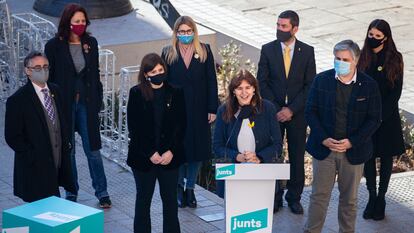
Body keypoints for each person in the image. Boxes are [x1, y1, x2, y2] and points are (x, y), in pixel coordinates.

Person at [304, 40, 382, 233]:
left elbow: (374, 119)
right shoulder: (321, 80)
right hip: (325, 150)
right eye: (337, 58)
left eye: (345, 59)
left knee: (349, 200)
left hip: (353, 153)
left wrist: (351, 142)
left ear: (355, 61)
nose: (340, 62)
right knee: (318, 197)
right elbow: (310, 112)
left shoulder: (369, 85)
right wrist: (323, 138)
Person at [44, 3, 111, 208]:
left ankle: (102, 192)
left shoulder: (91, 42)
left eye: (83, 21)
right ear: (67, 22)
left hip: (87, 104)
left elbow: (95, 73)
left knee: (93, 150)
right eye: (76, 21)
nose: (80, 25)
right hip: (64, 105)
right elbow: (50, 77)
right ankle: (71, 191)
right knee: (68, 149)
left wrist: (97, 99)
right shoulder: (54, 46)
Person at [257, 10, 316, 214]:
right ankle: (274, 198)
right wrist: (277, 109)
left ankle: (294, 197)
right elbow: (262, 83)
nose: (279, 29)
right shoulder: (267, 49)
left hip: (297, 115)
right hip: (273, 113)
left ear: (295, 29)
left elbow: (310, 86)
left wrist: (291, 109)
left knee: (297, 156)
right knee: (273, 154)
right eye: (278, 25)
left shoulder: (307, 51)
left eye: (284, 26)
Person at [161, 15, 218, 208]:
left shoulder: (204, 50)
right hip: (177, 112)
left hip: (199, 110)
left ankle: (190, 190)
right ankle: (178, 188)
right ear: (176, 33)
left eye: (188, 31)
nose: (185, 35)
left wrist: (212, 108)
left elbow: (211, 81)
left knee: (197, 151)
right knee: (179, 151)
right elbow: (164, 84)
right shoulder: (168, 52)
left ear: (193, 31)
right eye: (181, 31)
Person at [4, 51, 75, 202]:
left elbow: (63, 120)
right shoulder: (18, 100)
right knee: (39, 210)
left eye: (45, 66)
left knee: (54, 202)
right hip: (34, 167)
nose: (42, 71)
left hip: (57, 162)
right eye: (37, 68)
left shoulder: (56, 90)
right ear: (27, 71)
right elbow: (12, 136)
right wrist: (32, 155)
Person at [127, 53, 185, 233]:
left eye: (161, 70)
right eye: (154, 71)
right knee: (143, 201)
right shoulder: (136, 93)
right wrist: (151, 153)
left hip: (170, 158)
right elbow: (134, 128)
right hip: (144, 159)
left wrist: (171, 151)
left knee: (170, 202)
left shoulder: (176, 92)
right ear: (146, 74)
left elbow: (181, 125)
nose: (158, 73)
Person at [358, 19, 405, 221]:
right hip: (366, 118)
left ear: (386, 37)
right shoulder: (363, 57)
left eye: (378, 36)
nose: (373, 39)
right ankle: (371, 196)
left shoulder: (395, 59)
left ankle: (382, 198)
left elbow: (396, 93)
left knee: (386, 158)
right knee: (368, 157)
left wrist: (379, 117)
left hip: (387, 118)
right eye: (371, 34)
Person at [213, 69, 282, 166]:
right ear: (234, 91)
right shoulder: (223, 110)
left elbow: (277, 146)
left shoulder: (268, 108)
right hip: (232, 172)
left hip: (263, 171)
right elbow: (217, 146)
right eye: (239, 88)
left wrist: (259, 157)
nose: (244, 92)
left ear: (254, 89)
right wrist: (237, 156)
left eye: (248, 87)